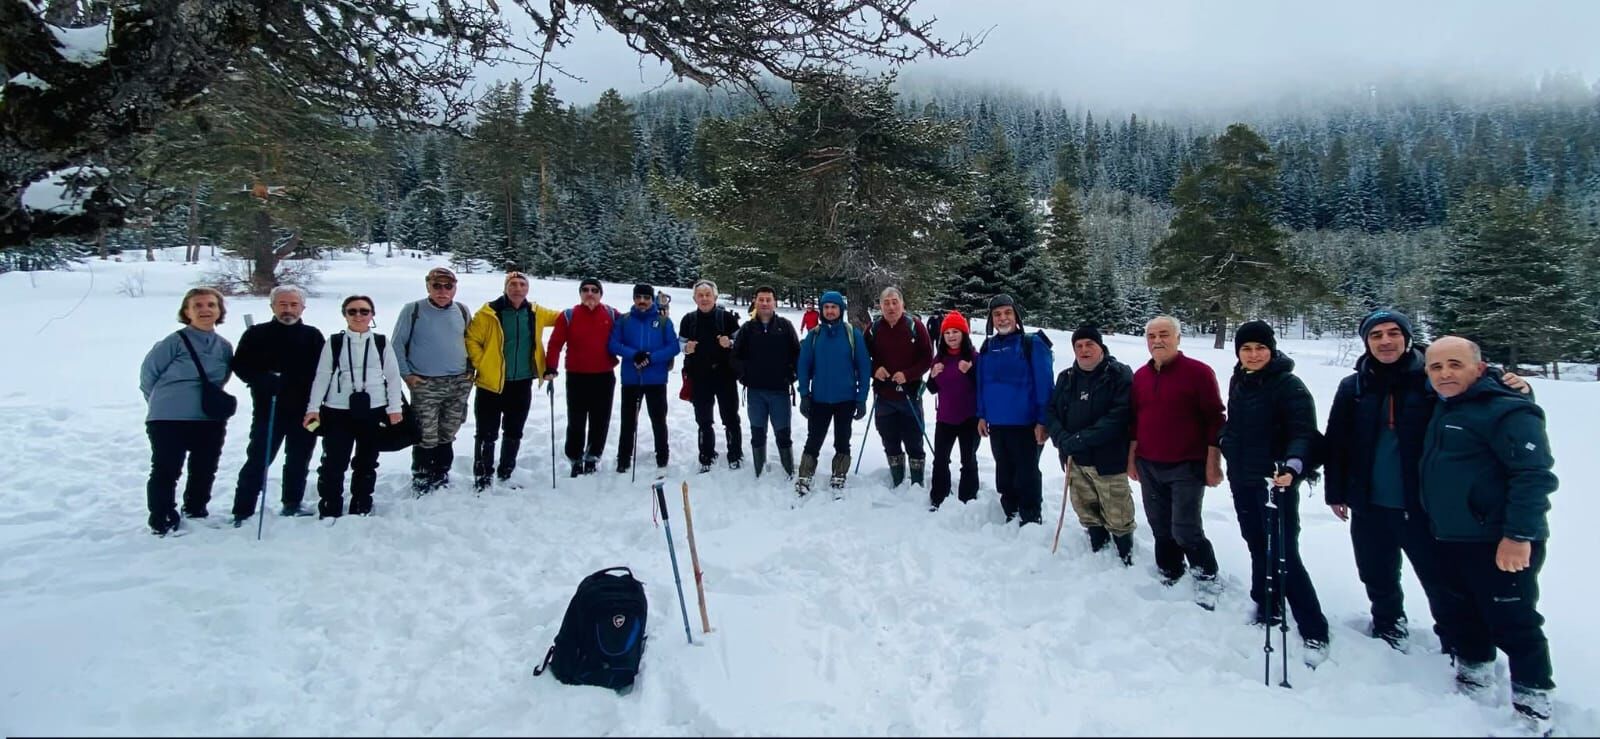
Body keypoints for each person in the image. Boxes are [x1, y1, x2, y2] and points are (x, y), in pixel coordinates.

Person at [1323, 308, 1530, 653]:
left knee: (1440, 580)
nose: (1385, 341)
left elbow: (1484, 396)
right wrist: (1336, 492)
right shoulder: (1355, 386)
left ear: (1407, 337)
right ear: (1366, 343)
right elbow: (1337, 441)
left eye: (1393, 333)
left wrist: (1517, 387)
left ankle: (1456, 642)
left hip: (1420, 503)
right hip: (1368, 501)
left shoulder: (1432, 379)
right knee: (1376, 572)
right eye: (1376, 335)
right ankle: (1389, 624)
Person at [1420, 337, 1557, 735]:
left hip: (1498, 540)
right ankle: (1474, 674)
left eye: (1455, 365)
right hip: (1450, 534)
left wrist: (1518, 535)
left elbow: (1534, 476)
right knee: (1462, 611)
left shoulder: (1509, 411)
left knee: (1513, 619)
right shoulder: (1443, 406)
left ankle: (1533, 702)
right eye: (1436, 367)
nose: (1445, 373)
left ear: (1479, 369)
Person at [1218, 321, 1330, 665]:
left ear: (1272, 350)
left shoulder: (1289, 385)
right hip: (1242, 476)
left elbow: (1303, 432)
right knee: (1254, 541)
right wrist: (1225, 441)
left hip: (1275, 480)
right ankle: (1267, 602)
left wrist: (1294, 465)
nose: (1253, 355)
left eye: (1260, 349)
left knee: (1283, 551)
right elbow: (1236, 423)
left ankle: (1314, 627)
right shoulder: (1241, 380)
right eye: (1246, 349)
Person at [1127, 315, 1225, 608]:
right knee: (1159, 525)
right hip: (1148, 463)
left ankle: (1206, 575)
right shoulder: (1141, 377)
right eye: (1152, 336)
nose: (1157, 341)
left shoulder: (1198, 373)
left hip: (1187, 464)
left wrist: (1214, 462)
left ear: (1178, 338)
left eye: (1164, 334)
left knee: (1185, 527)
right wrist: (1132, 459)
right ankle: (1170, 569)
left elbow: (1215, 420)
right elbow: (1134, 420)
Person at [139, 287, 235, 535]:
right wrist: (162, 402)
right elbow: (149, 375)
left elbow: (221, 379)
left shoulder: (224, 347)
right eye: (198, 306)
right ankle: (162, 517)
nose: (205, 310)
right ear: (187, 312)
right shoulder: (174, 342)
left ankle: (196, 508)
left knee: (205, 466)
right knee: (166, 468)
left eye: (211, 305)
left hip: (208, 417)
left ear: (219, 311)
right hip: (168, 417)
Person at [228, 285, 325, 523]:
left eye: (293, 305)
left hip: (304, 411)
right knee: (259, 458)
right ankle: (243, 508)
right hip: (268, 409)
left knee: (299, 458)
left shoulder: (312, 335)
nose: (288, 310)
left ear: (303, 307)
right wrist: (261, 379)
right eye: (283, 304)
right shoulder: (256, 334)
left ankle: (292, 502)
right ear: (272, 306)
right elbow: (240, 365)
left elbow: (323, 371)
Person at [304, 296, 404, 519]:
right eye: (352, 311)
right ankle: (330, 506)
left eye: (364, 311)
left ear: (372, 315)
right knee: (333, 461)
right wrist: (313, 408)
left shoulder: (380, 342)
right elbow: (322, 376)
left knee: (367, 460)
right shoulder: (334, 342)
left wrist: (394, 408)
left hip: (373, 408)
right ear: (345, 314)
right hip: (337, 409)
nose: (358, 316)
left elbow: (393, 377)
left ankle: (361, 503)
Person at [1044, 325, 1136, 564]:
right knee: (1084, 505)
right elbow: (1052, 411)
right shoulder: (1066, 377)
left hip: (1108, 458)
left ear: (1100, 346)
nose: (1084, 350)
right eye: (1079, 346)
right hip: (1074, 458)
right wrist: (1061, 438)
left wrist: (1080, 439)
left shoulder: (1119, 374)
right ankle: (1097, 539)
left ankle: (1124, 549)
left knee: (1117, 508)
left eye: (1089, 345)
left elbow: (1119, 416)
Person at [465, 271, 561, 490]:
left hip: (521, 382)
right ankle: (482, 477)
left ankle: (506, 472)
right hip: (492, 383)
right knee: (486, 432)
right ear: (505, 288)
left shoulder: (535, 312)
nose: (517, 288)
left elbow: (562, 318)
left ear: (527, 289)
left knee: (514, 430)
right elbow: (472, 339)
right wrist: (483, 363)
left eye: (522, 284)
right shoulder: (489, 312)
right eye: (513, 284)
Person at [392, 266, 474, 495]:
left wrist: (470, 370)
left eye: (448, 286)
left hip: (458, 383)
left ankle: (441, 473)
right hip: (425, 383)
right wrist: (407, 374)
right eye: (437, 285)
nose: (443, 290)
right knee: (426, 432)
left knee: (448, 430)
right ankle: (422, 476)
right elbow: (397, 344)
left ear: (455, 288)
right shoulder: (414, 310)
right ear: (428, 285)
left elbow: (472, 343)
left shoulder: (462, 310)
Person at [975, 294, 1055, 525]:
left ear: (1016, 316)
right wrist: (981, 415)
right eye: (997, 314)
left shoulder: (1032, 344)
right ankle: (1010, 509)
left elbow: (1045, 385)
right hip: (997, 423)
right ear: (991, 319)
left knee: (1027, 472)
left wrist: (1043, 421)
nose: (1003, 318)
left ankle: (1030, 515)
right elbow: (983, 384)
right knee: (1004, 470)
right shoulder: (988, 347)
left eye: (1007, 313)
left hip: (1026, 424)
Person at [794, 291, 872, 496]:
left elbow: (864, 367)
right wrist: (804, 394)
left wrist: (861, 398)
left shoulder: (852, 334)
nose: (830, 311)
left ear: (841, 310)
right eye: (826, 307)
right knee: (814, 438)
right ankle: (805, 473)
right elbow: (803, 366)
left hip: (845, 398)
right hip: (819, 397)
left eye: (834, 307)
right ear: (821, 310)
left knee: (842, 438)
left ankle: (839, 472)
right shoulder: (814, 335)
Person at [545, 278, 621, 477]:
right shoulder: (569, 316)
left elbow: (632, 327)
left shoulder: (611, 314)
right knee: (576, 419)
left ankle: (593, 455)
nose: (590, 293)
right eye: (585, 290)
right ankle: (575, 456)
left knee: (600, 419)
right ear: (580, 293)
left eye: (594, 290)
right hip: (577, 376)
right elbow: (554, 344)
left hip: (604, 376)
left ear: (600, 294)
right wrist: (551, 366)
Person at [864, 287, 934, 487]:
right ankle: (897, 476)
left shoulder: (915, 326)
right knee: (889, 438)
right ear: (880, 306)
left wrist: (908, 374)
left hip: (909, 395)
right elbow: (862, 359)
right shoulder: (873, 329)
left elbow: (927, 358)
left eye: (895, 302)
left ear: (902, 304)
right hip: (883, 395)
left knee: (914, 438)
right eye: (886, 303)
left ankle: (917, 480)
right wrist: (874, 369)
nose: (891, 307)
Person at [609, 283, 680, 472]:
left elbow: (673, 347)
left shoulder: (663, 321)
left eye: (646, 298)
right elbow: (613, 344)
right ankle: (624, 458)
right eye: (639, 297)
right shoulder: (624, 320)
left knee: (658, 419)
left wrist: (651, 358)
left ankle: (662, 456)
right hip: (632, 379)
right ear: (634, 298)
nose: (642, 301)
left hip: (656, 379)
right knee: (628, 420)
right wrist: (634, 354)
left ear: (651, 300)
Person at [733, 285, 800, 478]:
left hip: (779, 390)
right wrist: (744, 375)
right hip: (755, 392)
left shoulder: (784, 326)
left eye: (768, 299)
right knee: (757, 431)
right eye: (760, 299)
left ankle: (788, 468)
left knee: (782, 432)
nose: (764, 303)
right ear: (755, 302)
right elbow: (735, 357)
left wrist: (792, 374)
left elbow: (797, 353)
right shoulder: (747, 328)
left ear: (774, 302)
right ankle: (759, 469)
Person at [679, 279, 744, 472]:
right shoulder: (688, 320)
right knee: (703, 419)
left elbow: (740, 340)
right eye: (700, 295)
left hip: (725, 375)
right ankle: (706, 454)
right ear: (694, 298)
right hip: (699, 377)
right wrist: (686, 348)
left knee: (730, 416)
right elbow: (680, 342)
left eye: (708, 295)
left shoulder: (727, 318)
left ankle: (735, 453)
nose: (704, 298)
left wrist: (730, 343)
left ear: (715, 297)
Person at [925, 310, 978, 509]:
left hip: (969, 417)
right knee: (940, 460)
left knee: (968, 459)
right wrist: (932, 375)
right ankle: (938, 497)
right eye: (947, 333)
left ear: (964, 334)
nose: (951, 336)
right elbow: (931, 389)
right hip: (945, 417)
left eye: (956, 332)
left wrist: (970, 372)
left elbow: (982, 386)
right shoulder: (940, 358)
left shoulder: (973, 357)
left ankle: (968, 498)